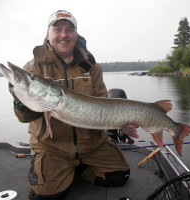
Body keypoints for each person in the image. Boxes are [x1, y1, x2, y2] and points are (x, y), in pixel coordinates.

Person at [9, 10, 130, 200]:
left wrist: (123, 121)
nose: (64, 34)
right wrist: (20, 102)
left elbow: (103, 104)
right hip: (53, 148)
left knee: (119, 177)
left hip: (91, 144)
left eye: (69, 29)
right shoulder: (33, 69)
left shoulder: (91, 67)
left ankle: (79, 169)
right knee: (48, 197)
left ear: (76, 34)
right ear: (48, 34)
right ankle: (62, 170)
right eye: (57, 29)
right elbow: (25, 117)